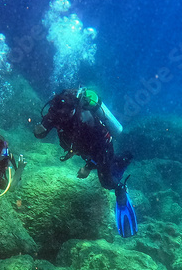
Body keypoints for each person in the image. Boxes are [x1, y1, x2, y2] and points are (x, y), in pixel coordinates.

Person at [34, 88, 137, 237]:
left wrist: (87, 167)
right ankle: (124, 157)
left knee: (106, 182)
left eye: (66, 115)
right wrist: (39, 131)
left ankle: (121, 188)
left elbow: (99, 147)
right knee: (102, 163)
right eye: (60, 116)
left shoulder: (86, 118)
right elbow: (42, 131)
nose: (62, 119)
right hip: (84, 149)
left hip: (102, 147)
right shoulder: (55, 113)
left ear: (73, 110)